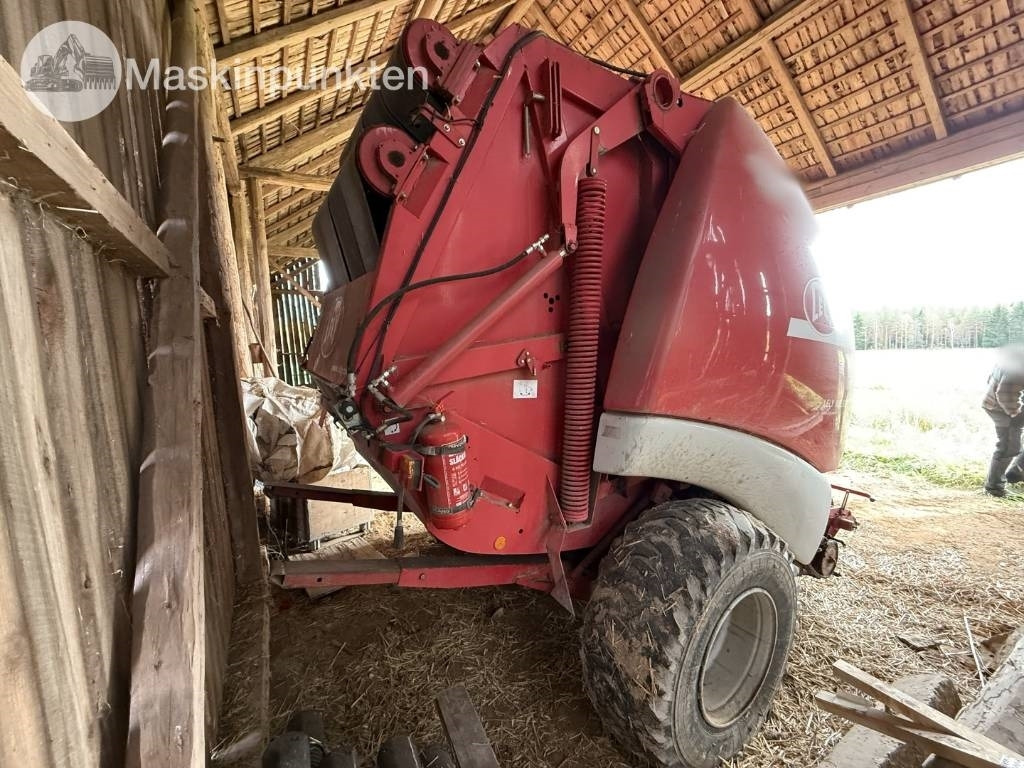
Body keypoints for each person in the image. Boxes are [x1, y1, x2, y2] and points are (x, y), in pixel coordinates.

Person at [983, 344, 1024, 497]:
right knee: (1009, 446)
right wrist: (1016, 413)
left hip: (1002, 403)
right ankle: (994, 488)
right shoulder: (1019, 367)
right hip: (1001, 408)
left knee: (1012, 443)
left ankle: (1017, 470)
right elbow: (1004, 393)